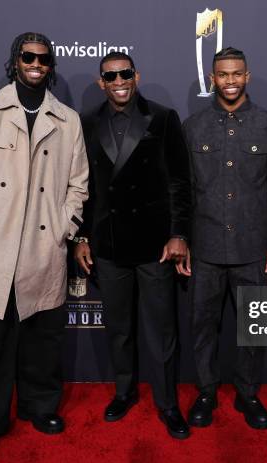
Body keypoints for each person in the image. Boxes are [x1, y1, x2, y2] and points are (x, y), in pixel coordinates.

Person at [0, 32, 89, 463]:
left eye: (44, 58)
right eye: (28, 57)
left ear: (51, 65)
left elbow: (78, 184)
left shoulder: (67, 119)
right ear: (15, 61)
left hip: (42, 248)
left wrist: (63, 229)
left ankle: (39, 408)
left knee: (42, 338)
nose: (36, 63)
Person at [74, 52, 192, 439]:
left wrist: (178, 234)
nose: (119, 80)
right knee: (120, 329)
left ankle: (168, 403)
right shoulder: (87, 121)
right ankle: (123, 392)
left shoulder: (163, 117)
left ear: (137, 76)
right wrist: (82, 236)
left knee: (161, 330)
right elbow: (83, 188)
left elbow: (179, 181)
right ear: (101, 81)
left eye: (125, 73)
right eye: (111, 76)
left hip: (154, 244)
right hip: (108, 244)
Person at [181, 47, 267, 430]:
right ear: (212, 78)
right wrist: (182, 238)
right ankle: (206, 393)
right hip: (206, 248)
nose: (230, 80)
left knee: (252, 329)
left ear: (247, 76)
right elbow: (183, 191)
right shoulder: (192, 127)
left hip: (253, 250)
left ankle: (248, 394)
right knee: (202, 326)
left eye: (237, 74)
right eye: (223, 74)